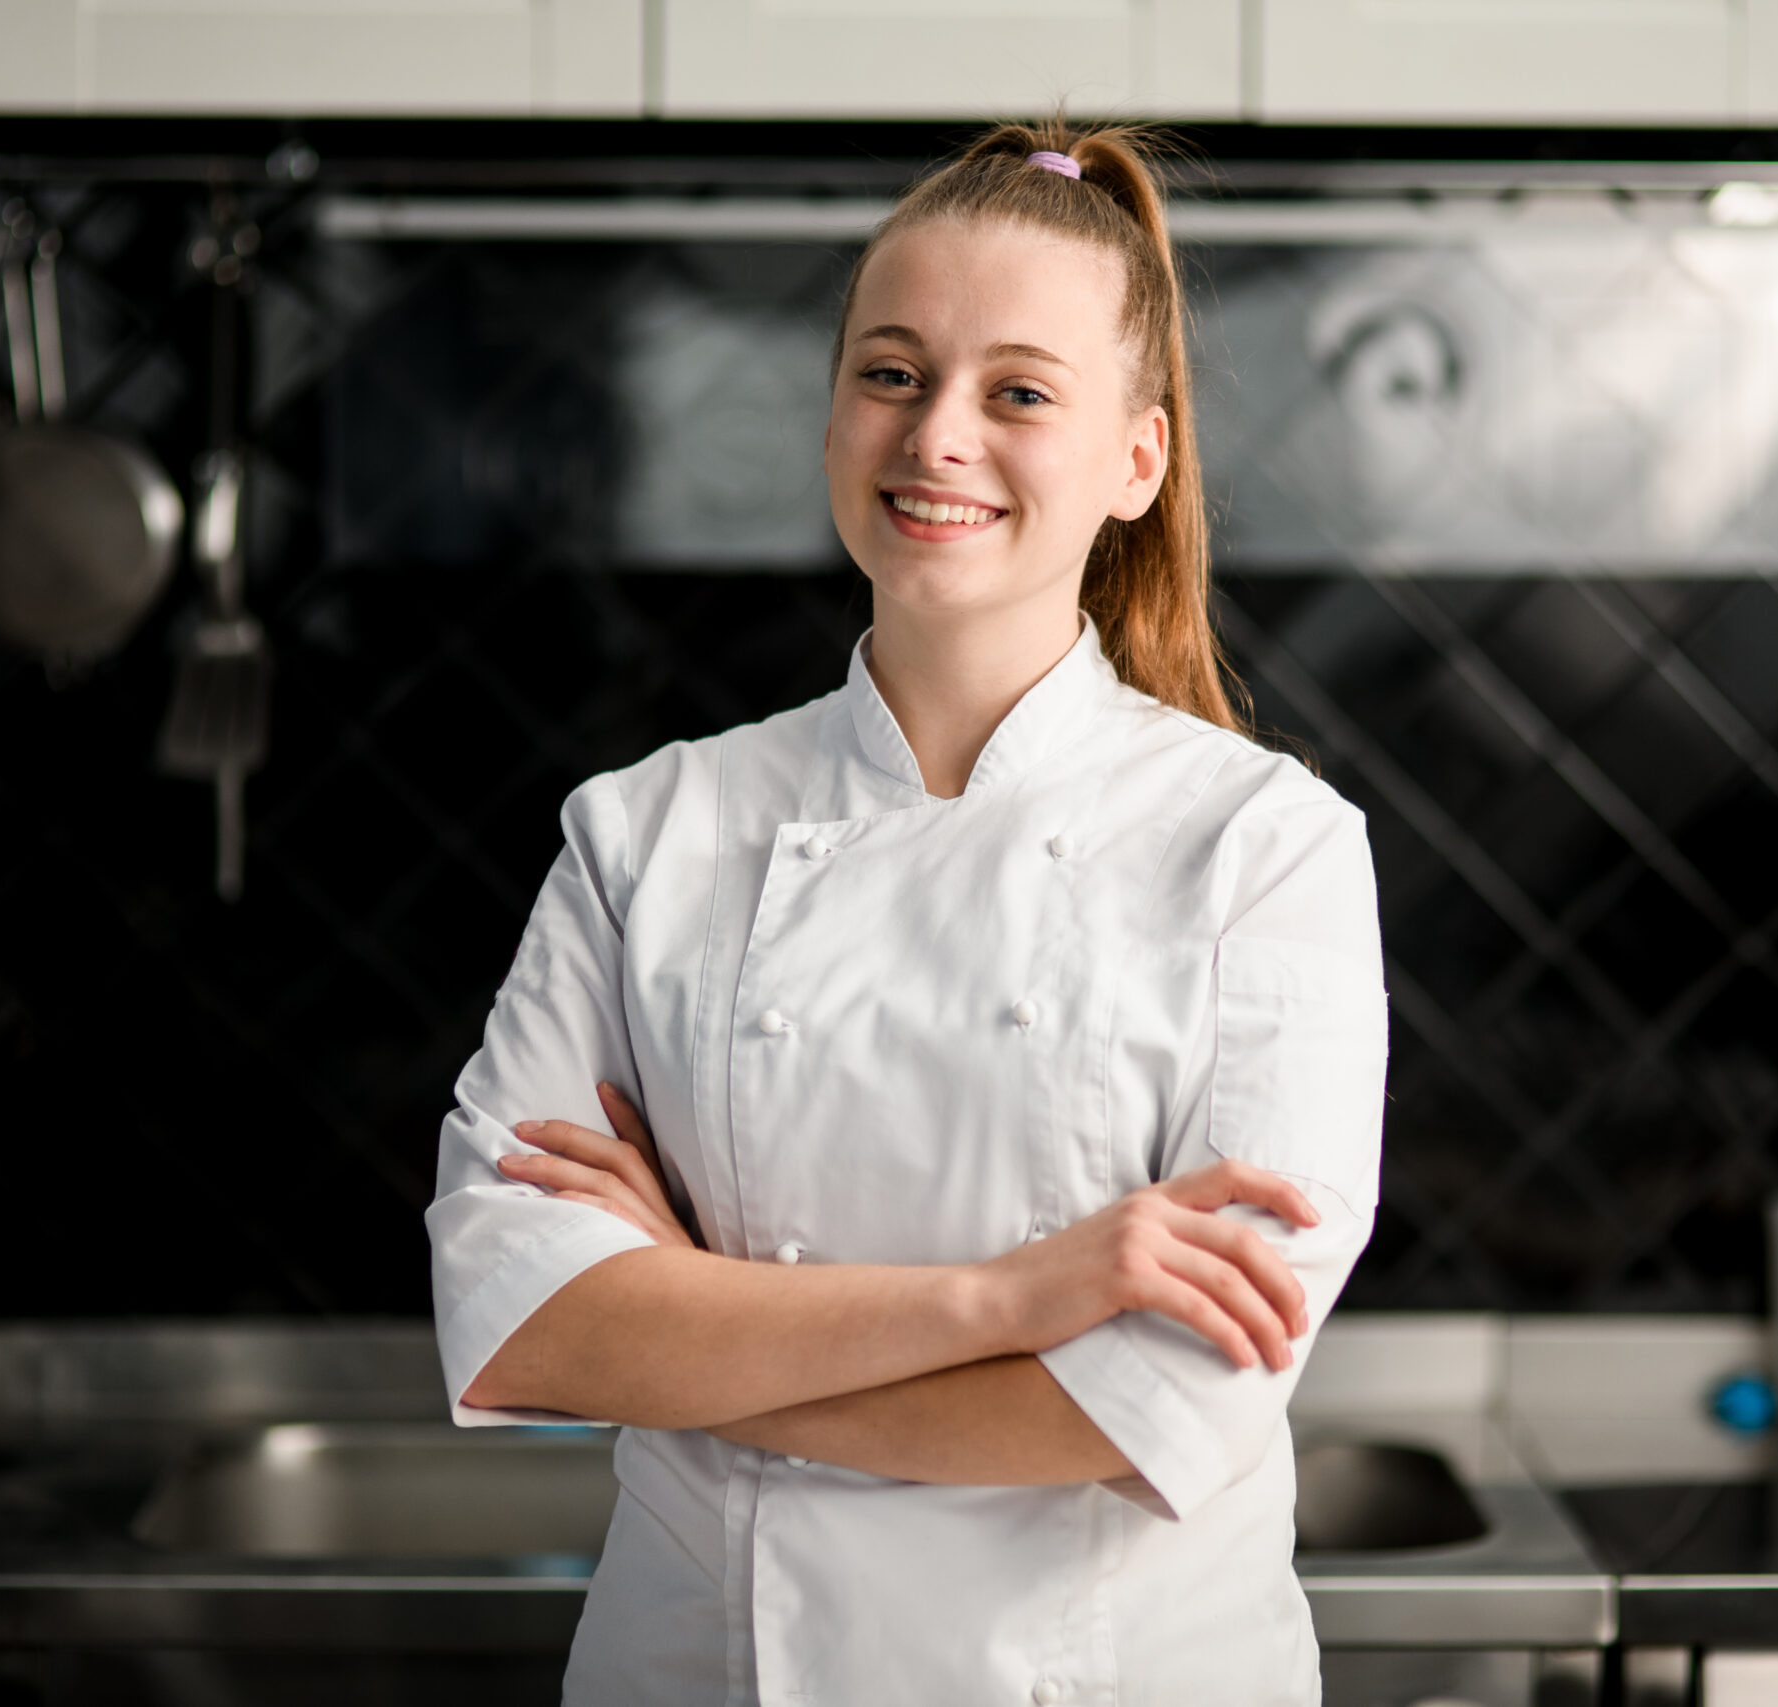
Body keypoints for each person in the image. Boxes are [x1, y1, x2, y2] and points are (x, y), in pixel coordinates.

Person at [427, 119, 1389, 1706]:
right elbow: (524, 1326)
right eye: (891, 373)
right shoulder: (648, 833)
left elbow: (1157, 1409)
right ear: (831, 422)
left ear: (1137, 461)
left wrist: (694, 1348)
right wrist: (1006, 1302)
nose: (937, 436)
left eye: (1020, 393)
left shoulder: (1262, 849)